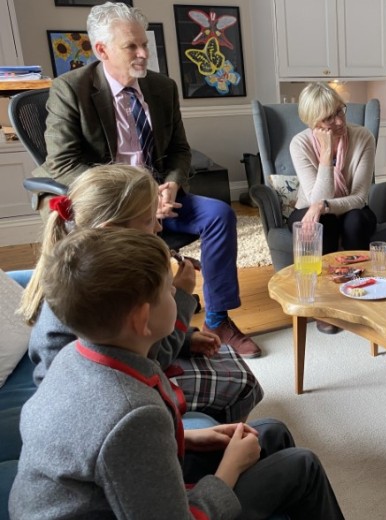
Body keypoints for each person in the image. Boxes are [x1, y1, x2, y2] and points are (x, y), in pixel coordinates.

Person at [10, 227, 344, 519]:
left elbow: (110, 456)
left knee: (269, 432)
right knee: (303, 467)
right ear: (142, 320)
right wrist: (228, 469)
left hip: (108, 499)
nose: (179, 295)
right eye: (169, 291)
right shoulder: (132, 415)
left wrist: (188, 437)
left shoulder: (78, 354)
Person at [32, 2, 260, 358]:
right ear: (102, 50)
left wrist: (170, 184)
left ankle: (217, 319)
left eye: (145, 45)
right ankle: (131, 333)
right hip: (111, 203)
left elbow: (180, 151)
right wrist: (133, 195)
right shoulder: (70, 89)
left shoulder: (161, 88)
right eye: (131, 47)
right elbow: (62, 162)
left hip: (159, 197)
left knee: (219, 215)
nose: (142, 54)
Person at [19, 165, 262, 423]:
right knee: (243, 383)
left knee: (228, 358)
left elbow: (136, 339)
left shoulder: (96, 262)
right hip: (102, 398)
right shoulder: (104, 283)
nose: (159, 227)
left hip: (118, 368)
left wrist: (187, 339)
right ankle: (217, 451)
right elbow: (150, 354)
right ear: (112, 229)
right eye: (150, 220)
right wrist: (181, 295)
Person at [289, 82, 378, 334]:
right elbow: (313, 198)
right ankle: (325, 304)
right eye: (329, 118)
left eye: (340, 111)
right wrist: (326, 156)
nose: (339, 122)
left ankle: (357, 292)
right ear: (312, 122)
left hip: (350, 208)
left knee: (355, 220)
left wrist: (324, 205)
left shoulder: (363, 137)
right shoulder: (299, 144)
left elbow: (359, 196)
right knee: (320, 223)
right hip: (311, 211)